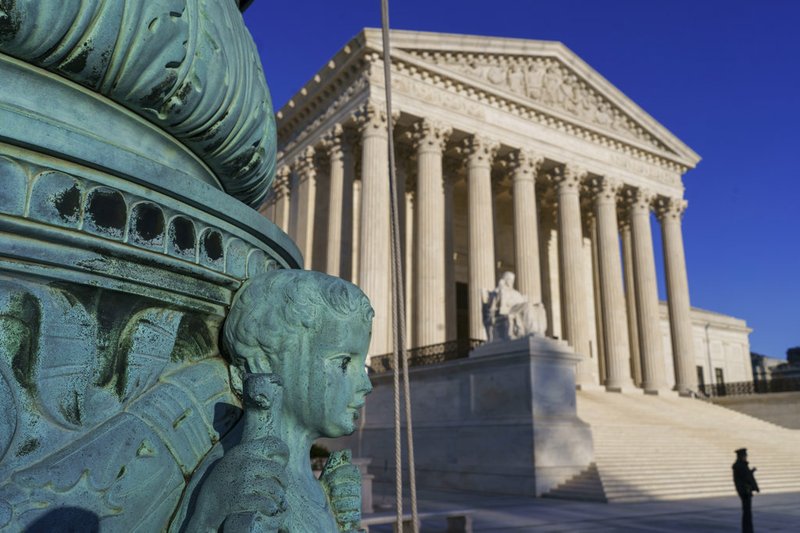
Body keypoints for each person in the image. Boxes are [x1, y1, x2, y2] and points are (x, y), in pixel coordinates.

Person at [188, 270, 374, 532]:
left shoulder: (315, 489)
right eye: (344, 362)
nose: (366, 385)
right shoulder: (238, 481)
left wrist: (341, 523)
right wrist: (207, 520)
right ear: (263, 363)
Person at [732, 447, 759, 533]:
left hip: (745, 491)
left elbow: (746, 475)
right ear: (741, 456)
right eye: (745, 455)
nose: (746, 457)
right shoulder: (740, 465)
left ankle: (748, 530)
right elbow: (744, 478)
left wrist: (751, 471)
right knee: (747, 513)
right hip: (745, 492)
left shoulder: (741, 465)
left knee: (747, 512)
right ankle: (747, 530)